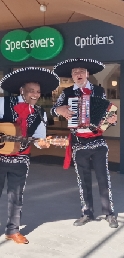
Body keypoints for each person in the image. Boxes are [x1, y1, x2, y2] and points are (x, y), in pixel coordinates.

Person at [50, 58, 118, 228]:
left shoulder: (98, 91)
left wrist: (112, 120)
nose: (78, 74)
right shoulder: (66, 94)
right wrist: (60, 109)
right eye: (75, 72)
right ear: (72, 76)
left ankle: (109, 213)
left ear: (87, 74)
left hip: (97, 141)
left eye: (81, 71)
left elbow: (106, 114)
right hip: (79, 142)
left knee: (103, 178)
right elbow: (53, 110)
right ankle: (87, 213)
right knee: (83, 179)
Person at [0, 67, 60, 244]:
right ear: (22, 91)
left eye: (38, 92)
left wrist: (42, 143)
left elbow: (39, 139)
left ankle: (13, 230)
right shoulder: (3, 103)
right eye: (31, 91)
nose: (35, 95)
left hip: (21, 160)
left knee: (16, 197)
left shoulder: (40, 113)